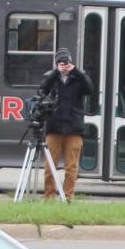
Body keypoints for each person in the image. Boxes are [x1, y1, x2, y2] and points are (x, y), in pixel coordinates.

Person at [38, 48, 93, 201]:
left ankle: (68, 197)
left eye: (66, 62)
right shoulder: (52, 77)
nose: (64, 65)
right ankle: (49, 197)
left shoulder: (78, 78)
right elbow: (43, 89)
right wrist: (56, 72)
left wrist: (76, 71)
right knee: (50, 167)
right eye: (61, 63)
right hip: (54, 127)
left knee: (71, 168)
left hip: (74, 128)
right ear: (56, 64)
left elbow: (89, 88)